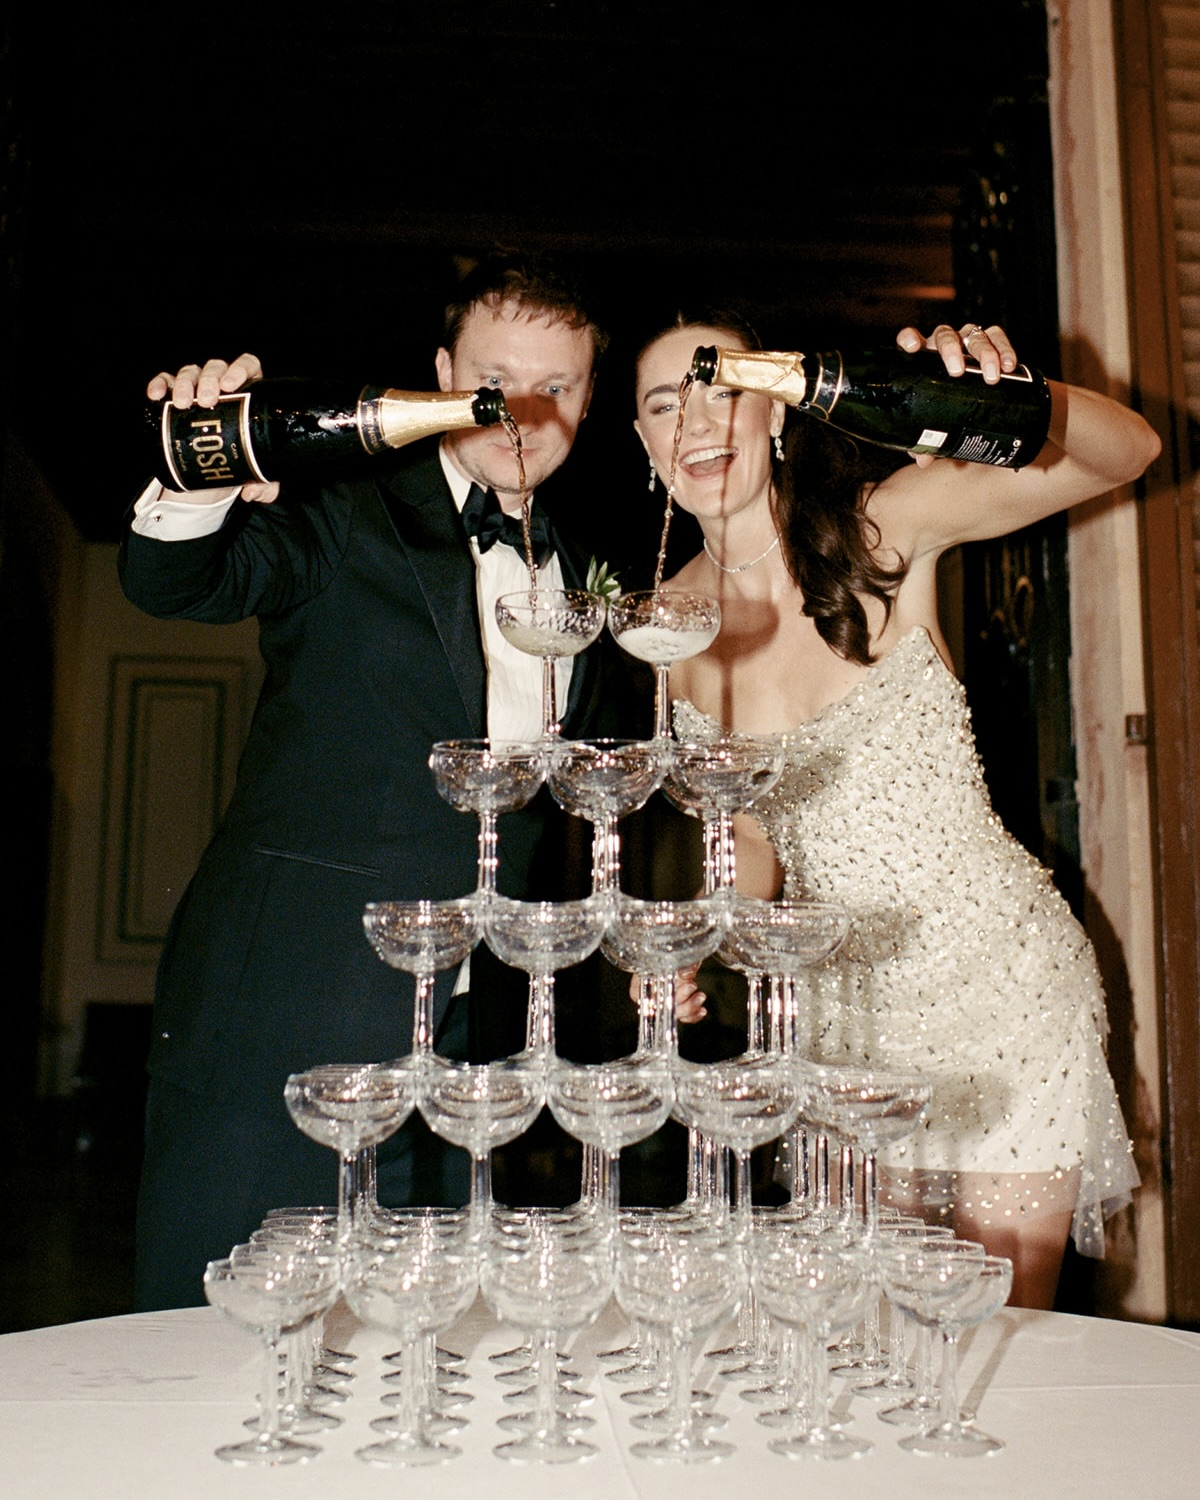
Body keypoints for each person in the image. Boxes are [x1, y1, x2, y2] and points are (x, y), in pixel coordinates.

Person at [633, 310, 1159, 1309]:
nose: (697, 422)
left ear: (778, 408)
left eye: (724, 388)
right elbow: (752, 833)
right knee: (870, 1343)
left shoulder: (882, 526)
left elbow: (1129, 452)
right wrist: (694, 938)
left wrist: (1005, 394)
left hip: (1002, 997)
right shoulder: (667, 624)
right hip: (845, 1028)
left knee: (993, 1334)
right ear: (644, 442)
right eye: (666, 404)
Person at [120, 252, 616, 1310]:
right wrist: (201, 469)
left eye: (557, 387)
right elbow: (179, 580)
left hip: (469, 1063)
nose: (522, 413)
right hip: (285, 1029)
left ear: (588, 398)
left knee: (410, 1365)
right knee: (212, 1350)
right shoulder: (346, 506)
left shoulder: (583, 574)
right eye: (494, 380)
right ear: (441, 375)